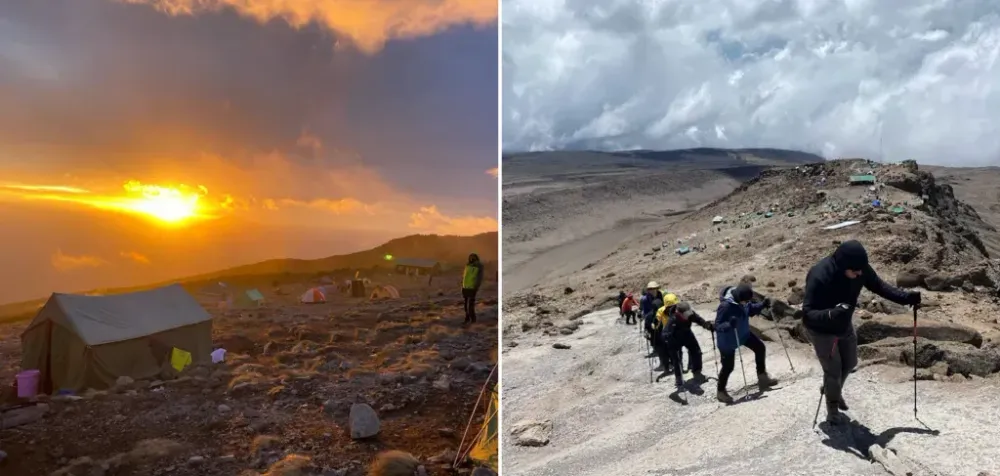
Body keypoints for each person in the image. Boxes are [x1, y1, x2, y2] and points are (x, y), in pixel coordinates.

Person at [802, 240, 920, 424]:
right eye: (855, 271)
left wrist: (905, 298)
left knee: (850, 362)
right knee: (833, 371)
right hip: (822, 330)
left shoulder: (859, 268)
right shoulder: (819, 275)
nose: (859, 274)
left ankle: (832, 389)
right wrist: (831, 314)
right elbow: (807, 315)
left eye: (861, 270)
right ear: (842, 266)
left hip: (844, 325)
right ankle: (832, 409)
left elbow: (879, 286)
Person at [714, 283, 779, 404]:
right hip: (728, 341)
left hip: (743, 334)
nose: (747, 302)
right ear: (739, 298)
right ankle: (721, 391)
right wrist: (729, 325)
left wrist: (763, 305)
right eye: (746, 301)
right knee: (728, 367)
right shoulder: (725, 306)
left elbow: (751, 309)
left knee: (760, 348)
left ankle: (762, 377)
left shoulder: (743, 300)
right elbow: (717, 325)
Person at [658, 300, 714, 388]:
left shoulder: (690, 314)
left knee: (697, 352)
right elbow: (664, 334)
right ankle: (679, 378)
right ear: (679, 313)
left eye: (689, 312)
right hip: (675, 340)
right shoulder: (673, 319)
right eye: (686, 314)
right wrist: (668, 338)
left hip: (687, 334)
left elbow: (698, 320)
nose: (688, 315)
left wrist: (707, 326)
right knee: (677, 359)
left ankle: (697, 372)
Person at [643, 297, 670, 372]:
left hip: (656, 338)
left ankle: (664, 365)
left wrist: (648, 335)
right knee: (667, 351)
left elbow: (646, 329)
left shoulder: (649, 316)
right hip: (665, 337)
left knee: (662, 352)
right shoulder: (666, 313)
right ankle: (669, 364)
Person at [462, 253, 484, 324]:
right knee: (465, 305)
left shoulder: (479, 266)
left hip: (472, 288)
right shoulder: (467, 265)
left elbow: (479, 278)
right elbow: (465, 276)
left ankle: (473, 320)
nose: (471, 258)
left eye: (473, 257)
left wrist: (476, 286)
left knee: (470, 305)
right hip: (465, 287)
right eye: (470, 257)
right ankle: (467, 318)